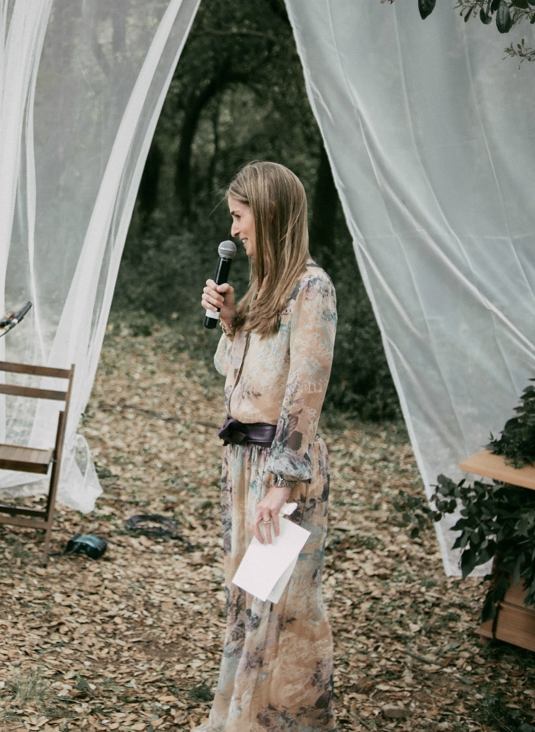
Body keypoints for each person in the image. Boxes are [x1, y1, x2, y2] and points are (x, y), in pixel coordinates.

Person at [197, 161, 337, 731]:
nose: (236, 231)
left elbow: (306, 391)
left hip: (283, 473)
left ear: (270, 213)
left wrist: (281, 485)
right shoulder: (264, 291)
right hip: (245, 468)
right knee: (249, 605)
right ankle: (242, 718)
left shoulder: (312, 288)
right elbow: (240, 382)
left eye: (240, 216)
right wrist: (233, 323)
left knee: (284, 607)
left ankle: (287, 722)